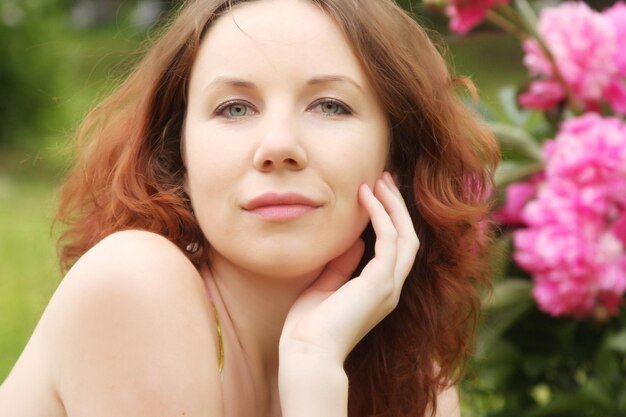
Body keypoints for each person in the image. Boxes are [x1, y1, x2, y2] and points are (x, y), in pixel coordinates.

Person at [0, 0, 499, 416]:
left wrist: (315, 362)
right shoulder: (135, 284)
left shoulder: (404, 362)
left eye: (330, 105)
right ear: (177, 154)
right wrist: (313, 381)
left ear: (398, 152)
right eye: (234, 108)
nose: (279, 145)